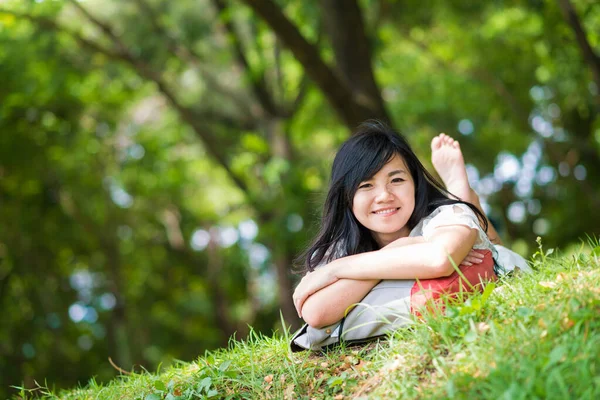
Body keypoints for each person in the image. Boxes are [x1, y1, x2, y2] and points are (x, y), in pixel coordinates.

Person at [291, 121, 527, 343]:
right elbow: (316, 313)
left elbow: (440, 259)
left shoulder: (447, 216)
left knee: (478, 233)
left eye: (396, 180)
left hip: (495, 260)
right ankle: (464, 196)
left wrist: (337, 271)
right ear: (346, 196)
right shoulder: (344, 246)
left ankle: (462, 192)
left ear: (415, 183)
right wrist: (400, 248)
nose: (384, 196)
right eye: (366, 185)